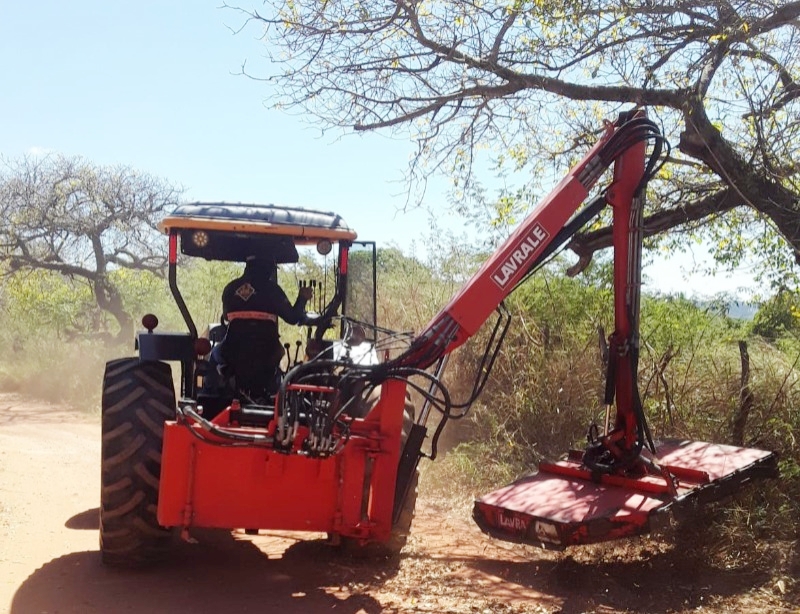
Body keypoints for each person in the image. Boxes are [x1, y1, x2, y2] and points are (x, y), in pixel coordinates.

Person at [214, 256, 314, 398]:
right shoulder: (273, 290)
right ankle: (274, 391)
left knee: (214, 354)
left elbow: (225, 317)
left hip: (233, 351)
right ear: (267, 268)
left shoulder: (230, 288)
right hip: (268, 355)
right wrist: (302, 298)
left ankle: (209, 394)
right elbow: (292, 318)